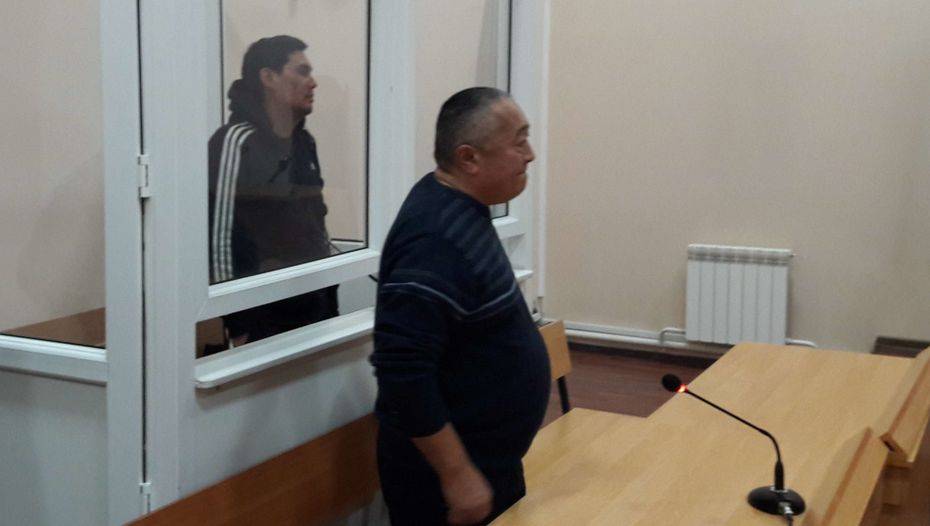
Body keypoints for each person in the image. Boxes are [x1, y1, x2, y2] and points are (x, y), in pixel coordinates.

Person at [370, 87, 550, 525]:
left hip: (491, 461)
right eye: (519, 142)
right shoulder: (434, 238)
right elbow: (402, 373)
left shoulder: (462, 208)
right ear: (469, 158)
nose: (530, 155)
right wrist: (457, 475)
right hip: (446, 481)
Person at [207, 35, 338, 347]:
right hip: (261, 321)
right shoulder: (235, 142)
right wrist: (238, 326)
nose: (313, 83)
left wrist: (330, 301)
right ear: (268, 77)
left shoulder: (304, 143)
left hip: (313, 308)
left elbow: (317, 227)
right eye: (302, 72)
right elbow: (219, 238)